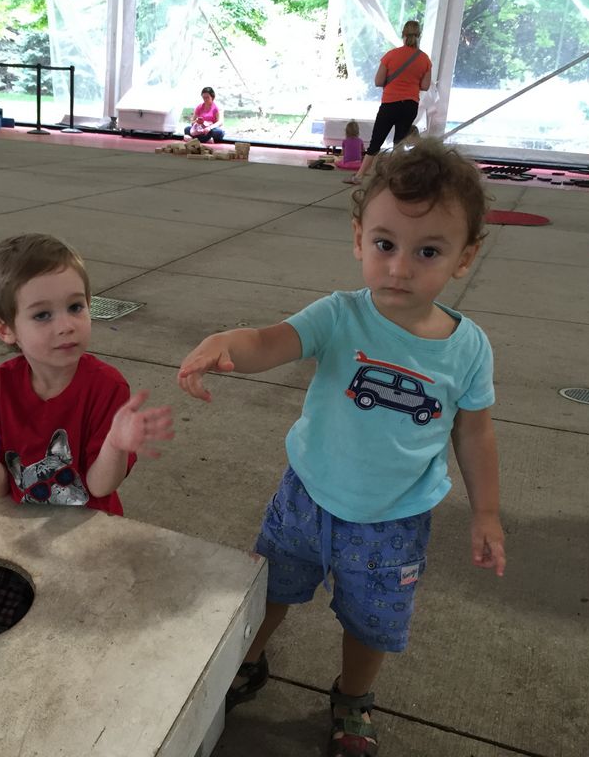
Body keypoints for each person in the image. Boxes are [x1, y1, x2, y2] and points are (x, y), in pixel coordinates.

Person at [178, 138, 505, 757]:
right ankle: (245, 659)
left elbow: (474, 431)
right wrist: (228, 342)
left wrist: (486, 513)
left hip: (393, 520)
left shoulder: (468, 349)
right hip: (306, 498)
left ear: (465, 257)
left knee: (372, 620)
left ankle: (353, 697)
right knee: (269, 588)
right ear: (358, 239)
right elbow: (271, 341)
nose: (399, 268)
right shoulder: (339, 315)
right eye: (385, 244)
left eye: (427, 251)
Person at [0, 233, 174, 641]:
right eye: (42, 315)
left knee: (84, 637)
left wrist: (116, 444)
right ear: (5, 328)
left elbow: (99, 486)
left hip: (91, 536)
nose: (66, 325)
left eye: (76, 307)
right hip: (19, 538)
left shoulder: (106, 387)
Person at [351, 20, 432, 184]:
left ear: (403, 34)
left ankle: (359, 176)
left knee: (376, 141)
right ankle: (396, 177)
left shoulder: (391, 55)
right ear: (419, 35)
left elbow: (378, 81)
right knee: (399, 142)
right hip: (410, 105)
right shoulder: (424, 59)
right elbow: (425, 86)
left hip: (390, 103)